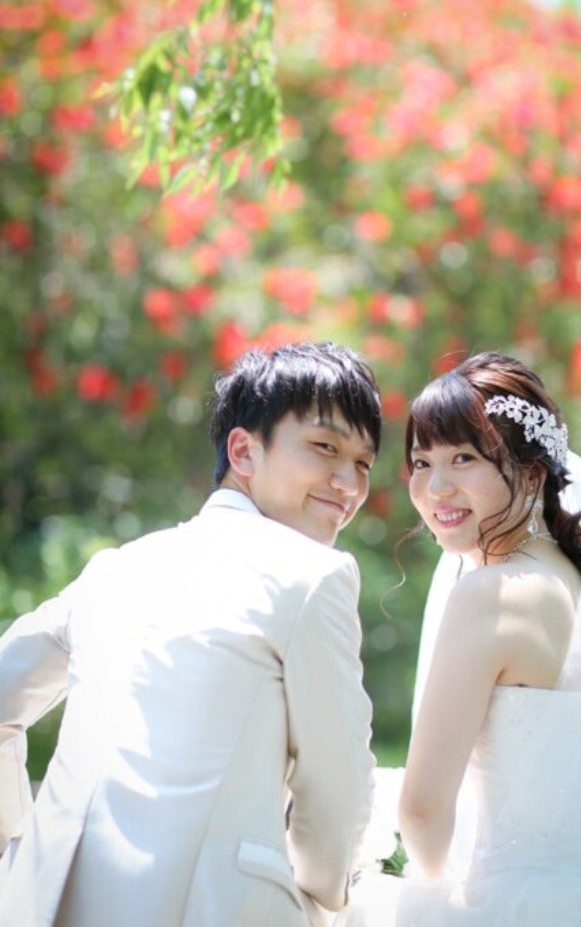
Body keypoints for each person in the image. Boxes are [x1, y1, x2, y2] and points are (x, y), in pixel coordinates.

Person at [0, 341, 382, 927]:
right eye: (326, 447)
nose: (348, 483)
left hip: (42, 904)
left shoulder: (117, 567)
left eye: (363, 464)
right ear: (243, 450)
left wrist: (20, 843)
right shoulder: (313, 577)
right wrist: (324, 899)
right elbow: (338, 784)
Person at [337, 350, 581, 926]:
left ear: (531, 472)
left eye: (464, 458)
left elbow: (422, 814)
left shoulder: (490, 596)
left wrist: (425, 894)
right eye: (421, 462)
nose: (436, 487)